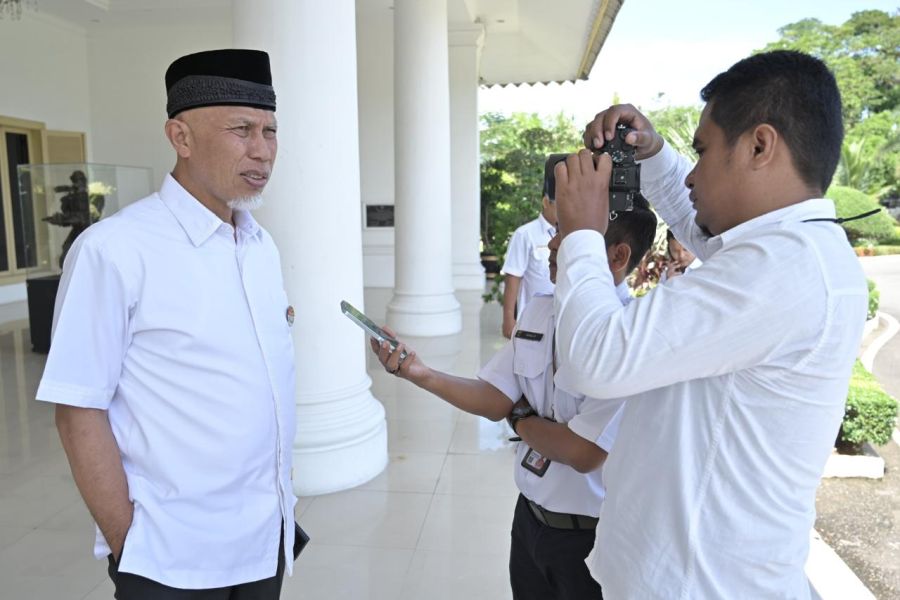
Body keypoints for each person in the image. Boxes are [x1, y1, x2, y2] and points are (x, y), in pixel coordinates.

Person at [551, 50, 868, 598]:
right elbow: (703, 229)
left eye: (702, 150)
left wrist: (581, 230)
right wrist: (651, 156)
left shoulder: (782, 267)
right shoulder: (789, 252)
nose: (692, 173)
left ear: (760, 145)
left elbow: (595, 359)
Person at [36, 49, 300, 598]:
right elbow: (78, 411)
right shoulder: (114, 250)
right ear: (180, 137)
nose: (262, 151)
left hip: (263, 540)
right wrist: (126, 540)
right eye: (241, 129)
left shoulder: (258, 243)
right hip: (168, 557)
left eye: (270, 131)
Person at [372, 198, 657, 600]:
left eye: (570, 234)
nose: (553, 244)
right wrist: (421, 373)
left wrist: (520, 419)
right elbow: (495, 396)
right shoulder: (541, 310)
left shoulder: (630, 339)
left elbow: (581, 451)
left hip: (588, 541)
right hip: (528, 520)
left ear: (617, 256)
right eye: (557, 230)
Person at [500, 154, 564, 338]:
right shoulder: (525, 234)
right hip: (530, 324)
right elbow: (513, 277)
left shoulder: (571, 234)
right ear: (546, 202)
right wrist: (508, 320)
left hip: (560, 322)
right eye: (560, 205)